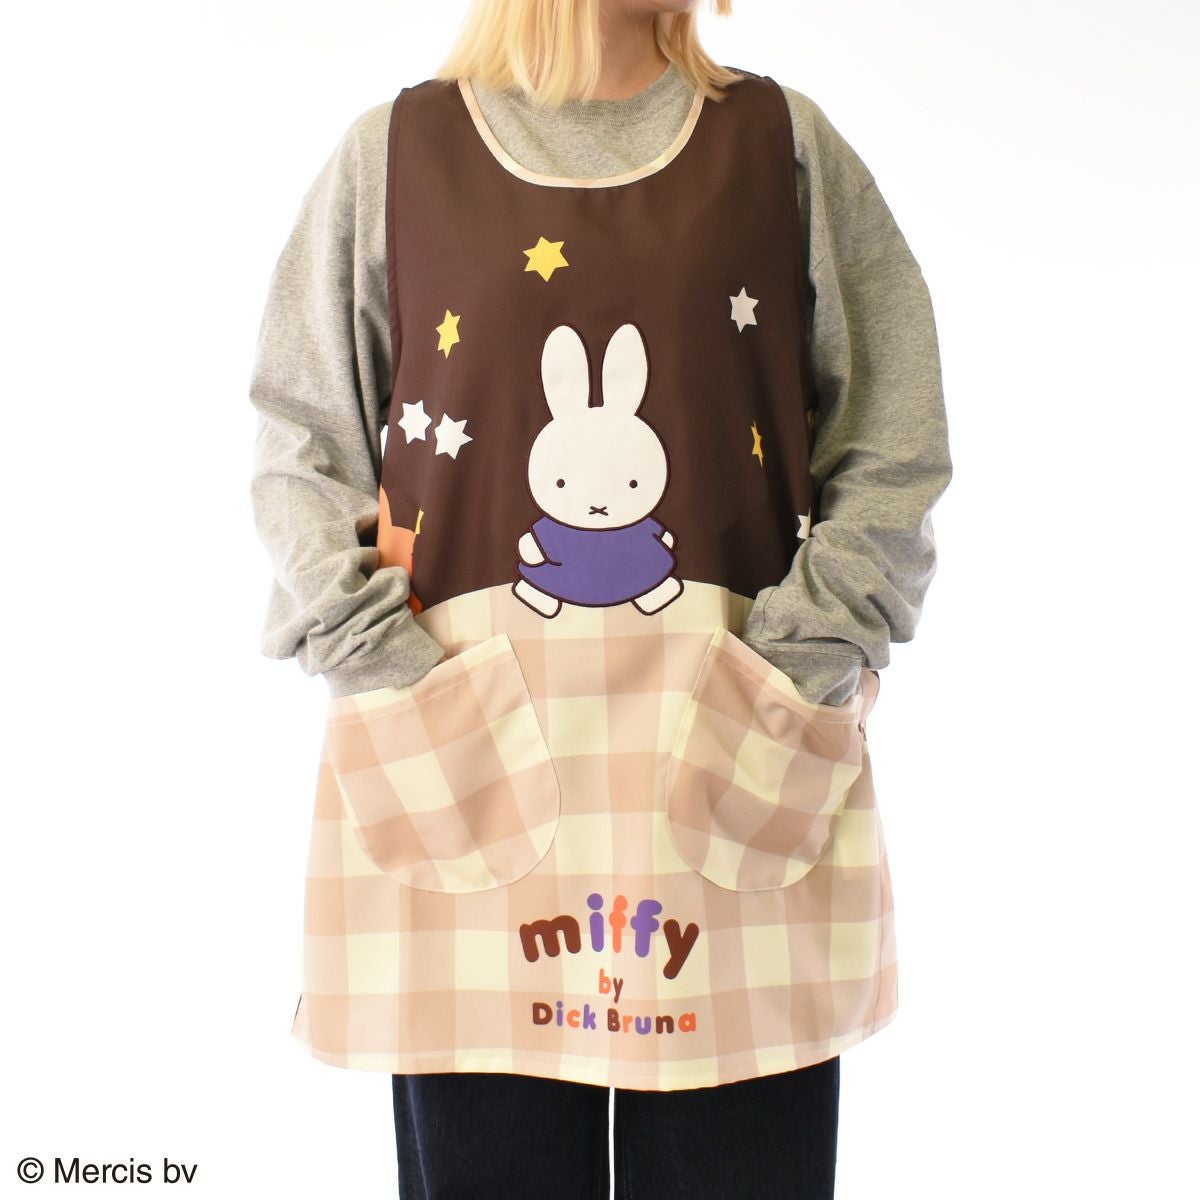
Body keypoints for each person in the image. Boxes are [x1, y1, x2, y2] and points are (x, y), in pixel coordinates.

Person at [248, 0, 952, 1195]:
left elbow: (894, 438)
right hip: (459, 766)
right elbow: (301, 445)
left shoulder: (783, 148)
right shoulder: (396, 159)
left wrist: (797, 667)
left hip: (738, 756)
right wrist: (392, 675)